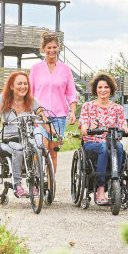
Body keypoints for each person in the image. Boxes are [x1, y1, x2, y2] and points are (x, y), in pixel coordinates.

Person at [0, 71, 47, 199]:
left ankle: (35, 182)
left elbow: (44, 119)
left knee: (37, 147)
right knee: (18, 150)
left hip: (26, 136)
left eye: (25, 83)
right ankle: (17, 186)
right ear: (11, 86)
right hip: (9, 138)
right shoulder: (3, 99)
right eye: (19, 83)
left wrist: (55, 134)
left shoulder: (31, 101)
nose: (23, 86)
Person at [28, 31, 77, 173]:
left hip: (59, 116)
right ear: (43, 49)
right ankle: (38, 182)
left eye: (54, 47)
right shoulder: (36, 69)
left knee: (53, 152)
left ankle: (50, 187)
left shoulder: (65, 69)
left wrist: (72, 111)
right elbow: (30, 93)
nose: (52, 50)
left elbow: (71, 92)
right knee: (42, 148)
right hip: (39, 116)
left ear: (58, 48)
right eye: (49, 47)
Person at [79, 72, 128, 204]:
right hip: (92, 142)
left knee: (119, 147)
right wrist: (90, 126)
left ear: (111, 89)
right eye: (100, 87)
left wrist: (126, 129)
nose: (103, 90)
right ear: (95, 89)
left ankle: (115, 181)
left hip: (111, 142)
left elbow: (123, 125)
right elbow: (83, 130)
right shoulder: (87, 107)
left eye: (106, 87)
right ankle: (100, 189)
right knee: (103, 147)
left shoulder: (118, 108)